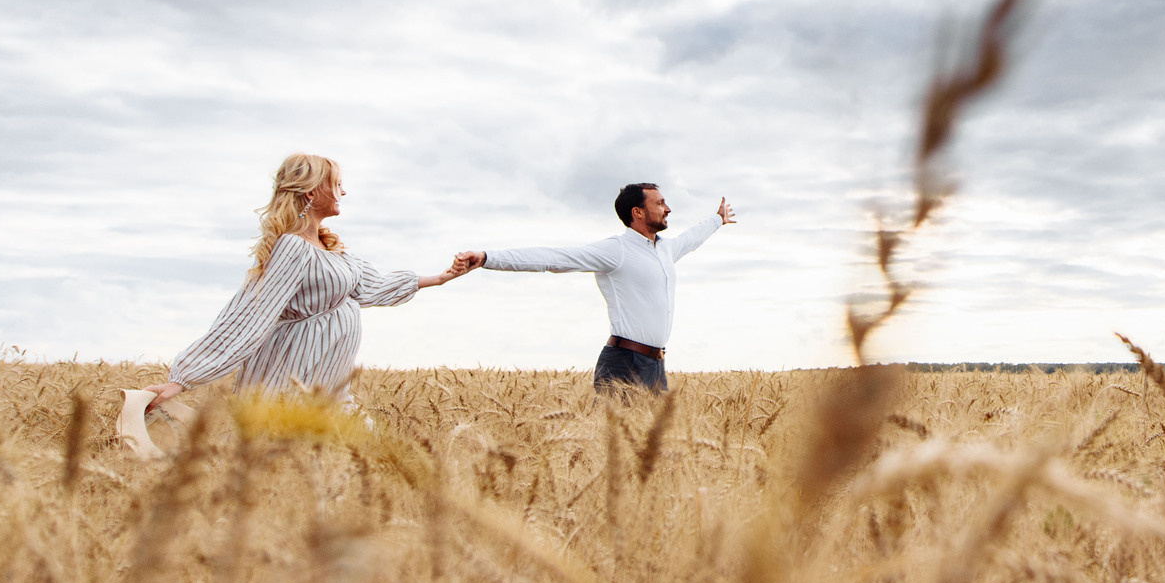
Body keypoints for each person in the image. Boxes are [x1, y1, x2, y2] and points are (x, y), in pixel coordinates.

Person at [142, 153, 468, 408]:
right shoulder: (292, 247)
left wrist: (442, 277)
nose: (344, 191)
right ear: (312, 192)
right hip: (289, 379)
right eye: (337, 183)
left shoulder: (331, 250)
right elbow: (250, 314)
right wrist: (182, 380)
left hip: (328, 387)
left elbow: (371, 286)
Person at [452, 184, 735, 394]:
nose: (668, 208)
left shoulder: (666, 250)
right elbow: (553, 258)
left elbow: (692, 237)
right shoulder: (616, 250)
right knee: (612, 452)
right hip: (625, 362)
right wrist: (488, 258)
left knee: (651, 459)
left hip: (655, 364)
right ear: (637, 212)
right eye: (660, 203)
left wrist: (716, 219)